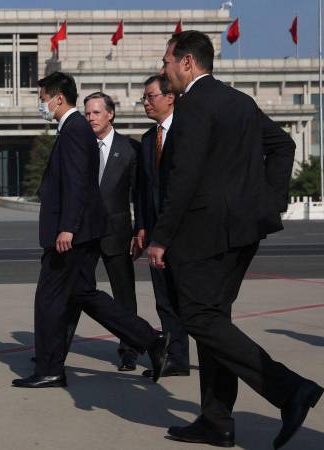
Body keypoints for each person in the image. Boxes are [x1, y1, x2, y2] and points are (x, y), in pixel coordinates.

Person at [147, 31, 323, 448]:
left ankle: (288, 389)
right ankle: (217, 419)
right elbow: (283, 144)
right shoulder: (238, 101)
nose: (163, 68)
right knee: (214, 321)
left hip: (203, 234)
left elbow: (184, 178)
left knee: (198, 319)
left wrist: (161, 236)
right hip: (243, 231)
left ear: (187, 62)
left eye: (167, 61)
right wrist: (271, 201)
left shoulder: (193, 106)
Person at [12, 72, 169, 389]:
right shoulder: (75, 129)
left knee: (48, 299)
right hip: (85, 231)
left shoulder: (72, 129)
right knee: (85, 295)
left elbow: (77, 182)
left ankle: (49, 369)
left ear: (58, 98)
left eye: (43, 99)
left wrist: (67, 226)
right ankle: (150, 339)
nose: (41, 105)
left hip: (74, 233)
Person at [66, 91, 141, 372]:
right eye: (87, 113)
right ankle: (57, 350)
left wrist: (141, 229)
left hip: (117, 234)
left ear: (110, 114)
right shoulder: (78, 147)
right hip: (82, 234)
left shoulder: (130, 149)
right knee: (75, 293)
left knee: (124, 295)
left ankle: (129, 349)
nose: (90, 118)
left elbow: (140, 194)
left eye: (96, 113)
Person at [133, 75, 190, 379]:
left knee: (190, 299)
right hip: (155, 233)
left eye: (150, 96)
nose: (146, 102)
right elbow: (142, 190)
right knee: (164, 298)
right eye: (144, 98)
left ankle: (211, 355)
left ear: (170, 97)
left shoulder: (186, 133)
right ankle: (176, 358)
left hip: (185, 231)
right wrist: (141, 226)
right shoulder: (146, 140)